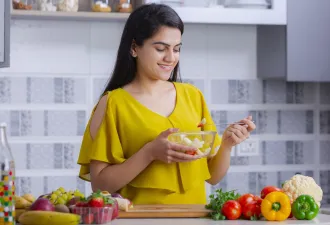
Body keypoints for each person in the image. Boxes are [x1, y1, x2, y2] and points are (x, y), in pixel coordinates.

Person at [77, 3, 256, 204]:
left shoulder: (193, 96)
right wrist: (149, 153)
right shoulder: (112, 104)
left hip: (193, 218)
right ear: (134, 47)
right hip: (138, 220)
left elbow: (213, 177)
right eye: (161, 48)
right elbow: (100, 185)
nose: (171, 58)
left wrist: (227, 145)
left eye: (176, 49)